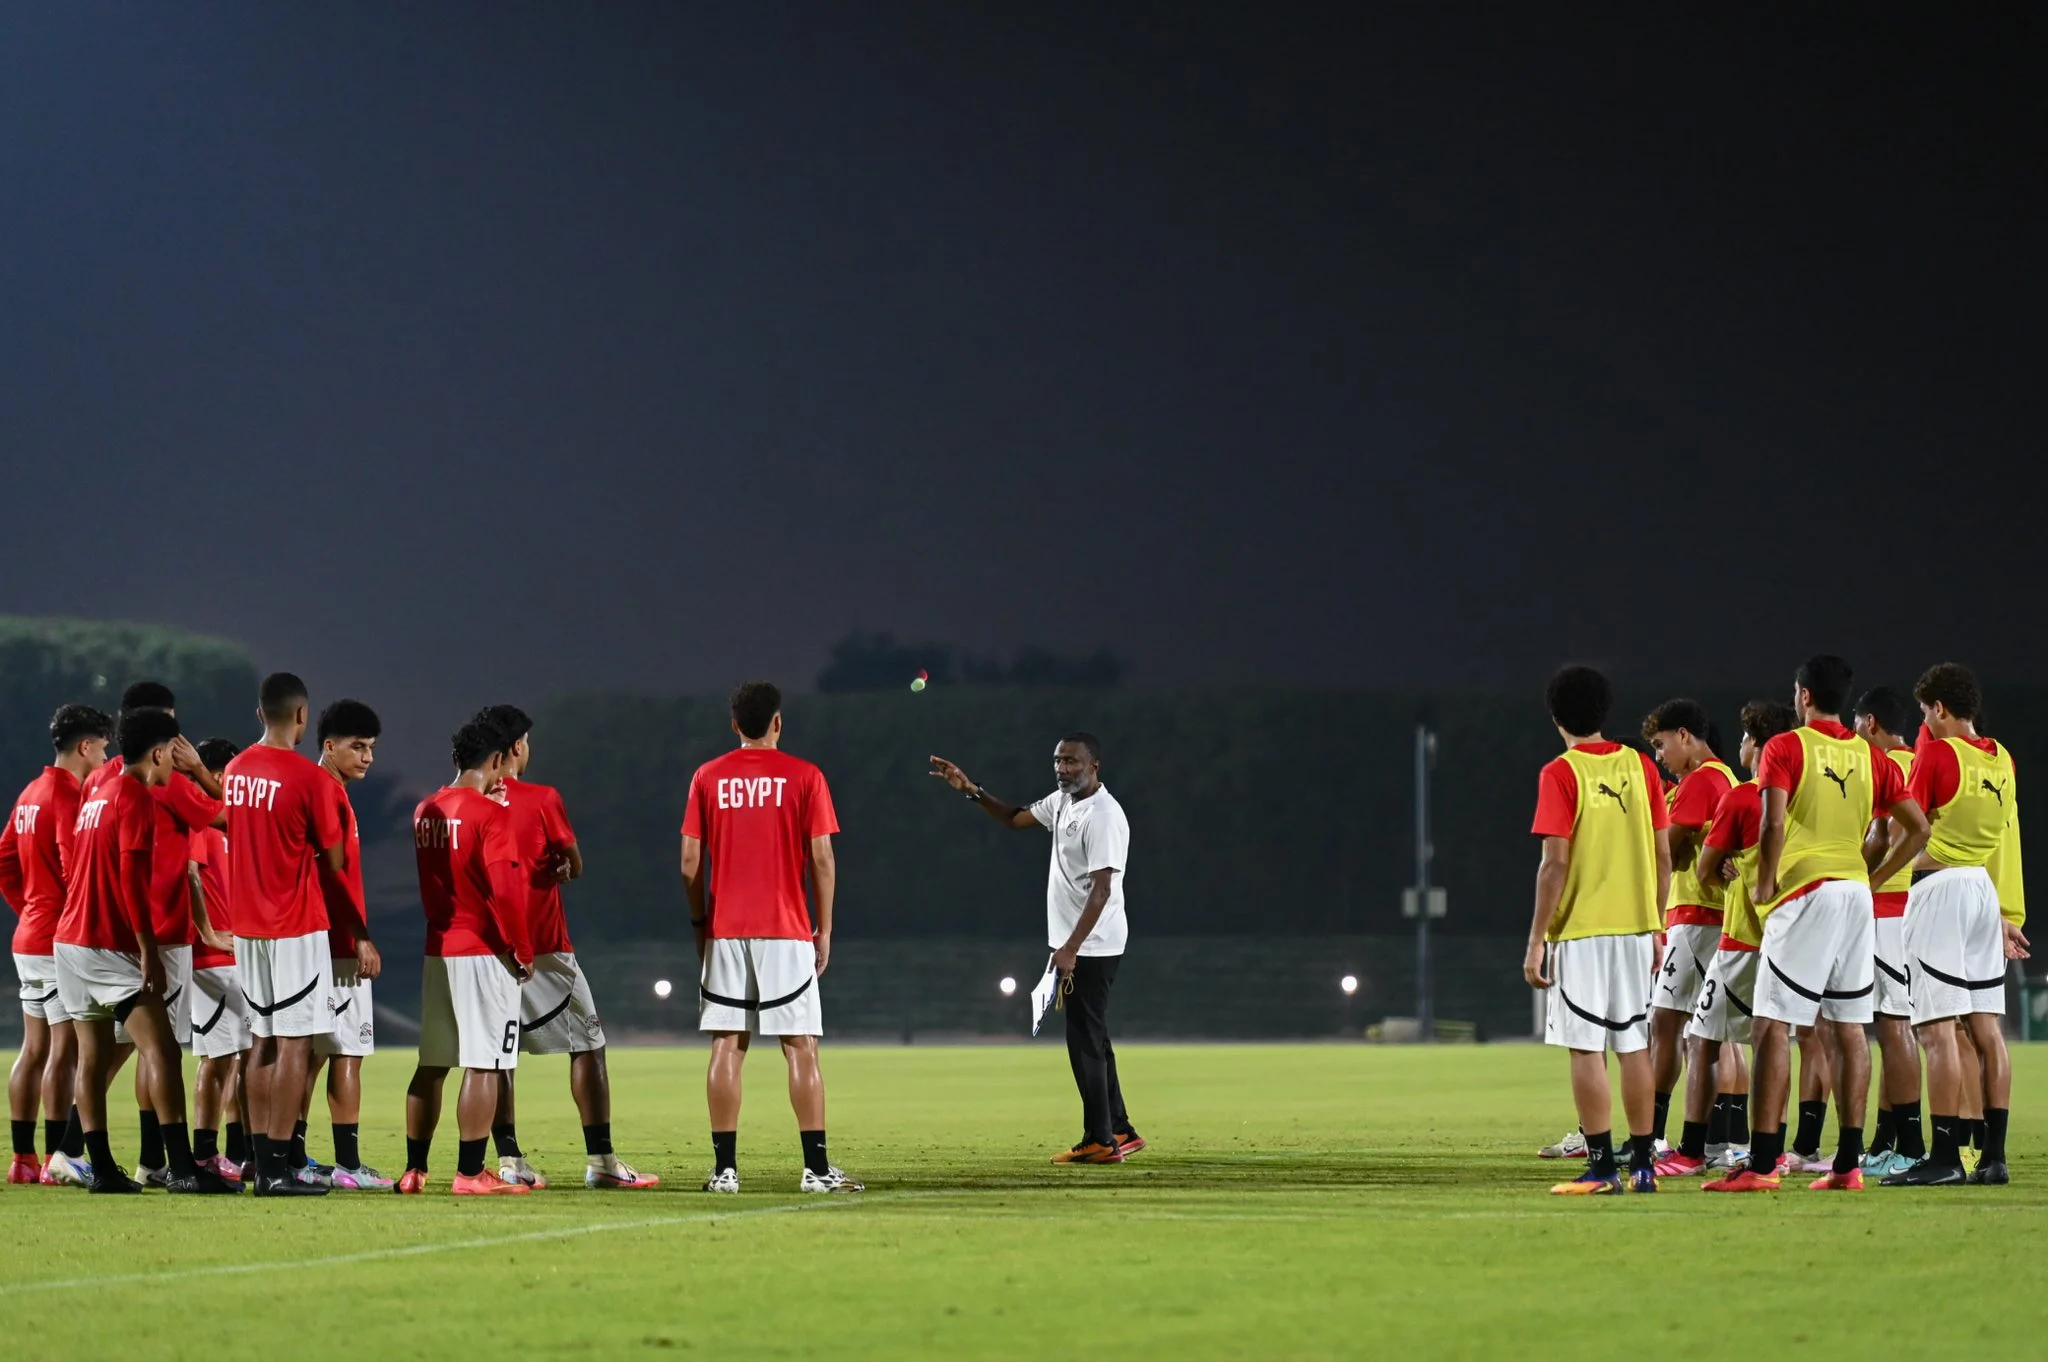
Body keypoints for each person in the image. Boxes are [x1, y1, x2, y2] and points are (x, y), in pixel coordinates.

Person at [1711, 655, 1928, 1193]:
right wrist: (1872, 877)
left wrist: (1763, 881)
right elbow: (1918, 829)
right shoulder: (1871, 756)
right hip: (1855, 894)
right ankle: (1848, 1166)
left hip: (1805, 892)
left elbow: (1774, 820)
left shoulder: (1786, 747)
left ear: (1804, 695)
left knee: (1771, 1026)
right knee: (1851, 1028)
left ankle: (1762, 1165)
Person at [930, 736, 1142, 1167]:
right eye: (1058, 760)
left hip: (1093, 946)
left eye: (1072, 761)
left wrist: (1071, 948)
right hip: (1080, 944)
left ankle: (1099, 1140)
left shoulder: (1103, 816)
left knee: (1083, 1040)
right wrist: (971, 790)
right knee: (1094, 1036)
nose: (1062, 768)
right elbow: (1014, 819)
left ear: (1095, 765)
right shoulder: (1064, 802)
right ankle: (1118, 1128)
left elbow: (1102, 890)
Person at [681, 681, 860, 1194]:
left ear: (735, 724)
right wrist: (823, 930)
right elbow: (823, 858)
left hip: (726, 929)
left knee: (727, 1046)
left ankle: (724, 1172)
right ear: (777, 723)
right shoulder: (806, 776)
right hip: (785, 929)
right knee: (801, 1046)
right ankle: (816, 1170)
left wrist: (701, 926)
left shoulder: (707, 777)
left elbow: (689, 862)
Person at [51, 707, 237, 1193]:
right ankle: (180, 1167)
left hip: (69, 943)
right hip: (108, 947)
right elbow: (132, 881)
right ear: (159, 752)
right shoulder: (133, 794)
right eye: (173, 755)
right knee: (162, 1049)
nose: (177, 765)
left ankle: (104, 1170)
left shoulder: (100, 790)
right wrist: (148, 952)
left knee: (92, 1057)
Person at [473, 705, 656, 1192]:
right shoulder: (542, 798)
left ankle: (509, 1160)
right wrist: (561, 864)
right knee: (589, 1043)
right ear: (515, 748)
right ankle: (601, 1159)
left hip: (484, 948)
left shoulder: (462, 803)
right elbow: (574, 863)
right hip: (545, 948)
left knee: (499, 1055)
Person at [224, 672, 379, 1197]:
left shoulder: (237, 770)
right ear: (302, 718)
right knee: (295, 1046)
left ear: (259, 713)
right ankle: (274, 1170)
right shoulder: (310, 780)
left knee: (261, 1043)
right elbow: (333, 862)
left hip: (246, 928)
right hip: (293, 925)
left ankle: (259, 1160)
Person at [1519, 666, 1669, 1194]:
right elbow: (1662, 855)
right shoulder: (1642, 766)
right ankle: (1645, 1167)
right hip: (1635, 929)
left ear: (1556, 716)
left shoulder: (1559, 773)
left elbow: (1554, 865)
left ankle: (1604, 1168)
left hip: (1582, 931)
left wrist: (1537, 939)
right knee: (1633, 1047)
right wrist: (1656, 923)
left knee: (1586, 1048)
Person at [1882, 662, 2027, 1186]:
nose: (1926, 722)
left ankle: (1943, 1157)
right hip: (1982, 893)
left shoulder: (1938, 755)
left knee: (1936, 1028)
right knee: (1986, 1029)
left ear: (1938, 708)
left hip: (1939, 894)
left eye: (1926, 712)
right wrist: (2008, 914)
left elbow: (1913, 831)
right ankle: (1994, 1157)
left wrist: (1873, 876)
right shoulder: (2003, 759)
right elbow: (2001, 840)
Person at [398, 719, 533, 1196]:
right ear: (496, 760)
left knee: (432, 1063)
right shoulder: (491, 816)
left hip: (439, 947)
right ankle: (472, 1173)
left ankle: (414, 1170)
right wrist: (520, 949)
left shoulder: (425, 809)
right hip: (482, 948)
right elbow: (506, 891)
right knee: (486, 1062)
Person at [1665, 700, 1794, 1177]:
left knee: (1701, 1039)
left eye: (1744, 738)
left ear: (1758, 744)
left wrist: (1725, 870)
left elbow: (1702, 868)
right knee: (1773, 1042)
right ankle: (1773, 1151)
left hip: (1741, 938)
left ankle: (1690, 1151)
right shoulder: (1802, 798)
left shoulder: (1742, 797)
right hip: (1791, 937)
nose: (1738, 746)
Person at [1, 704, 113, 1185]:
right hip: (57, 938)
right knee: (63, 1050)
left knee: (33, 1048)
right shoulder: (68, 796)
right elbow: (75, 868)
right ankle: (54, 1159)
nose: (107, 757)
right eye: (104, 748)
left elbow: (5, 861)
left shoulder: (31, 792)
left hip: (29, 934)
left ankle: (22, 1160)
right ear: (86, 746)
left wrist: (29, 907)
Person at [299, 700, 393, 1191]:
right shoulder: (328, 794)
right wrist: (359, 937)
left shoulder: (319, 788)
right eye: (358, 747)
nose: (368, 757)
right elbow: (332, 876)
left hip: (313, 938)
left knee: (309, 1053)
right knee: (346, 1052)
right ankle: (349, 1166)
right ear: (329, 745)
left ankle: (294, 1154)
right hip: (336, 944)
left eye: (372, 748)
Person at [1642, 699, 1738, 1155]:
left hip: (1696, 917)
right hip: (1714, 916)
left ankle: (1652, 1134)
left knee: (1666, 1024)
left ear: (1685, 735)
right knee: (1711, 1033)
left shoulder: (1701, 781)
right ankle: (1721, 1137)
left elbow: (1671, 852)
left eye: (1661, 745)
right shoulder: (1724, 778)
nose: (1660, 756)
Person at [1852, 686, 1926, 1176]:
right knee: (1895, 1028)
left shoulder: (1886, 768)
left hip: (1887, 911)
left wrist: (1858, 879)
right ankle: (1892, 1140)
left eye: (1858, 726)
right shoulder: (1916, 762)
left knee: (1895, 1028)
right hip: (1912, 910)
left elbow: (1882, 838)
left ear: (1871, 723)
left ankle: (1913, 1147)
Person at [187, 738, 253, 1183]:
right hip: (210, 958)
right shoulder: (201, 824)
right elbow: (189, 874)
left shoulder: (228, 828)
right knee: (217, 1059)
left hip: (231, 956)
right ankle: (204, 1154)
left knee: (232, 1057)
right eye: (228, 775)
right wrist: (207, 933)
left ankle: (229, 1152)